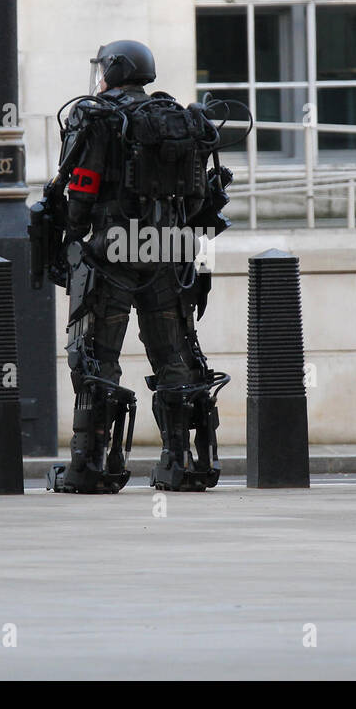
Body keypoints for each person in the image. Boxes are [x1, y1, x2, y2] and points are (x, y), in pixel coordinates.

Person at [33, 39, 235, 493]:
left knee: (94, 357)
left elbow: (81, 194)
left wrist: (70, 227)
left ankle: (92, 465)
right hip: (169, 252)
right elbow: (201, 197)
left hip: (112, 255)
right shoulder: (180, 119)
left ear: (112, 70)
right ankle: (183, 462)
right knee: (177, 357)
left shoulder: (98, 117)